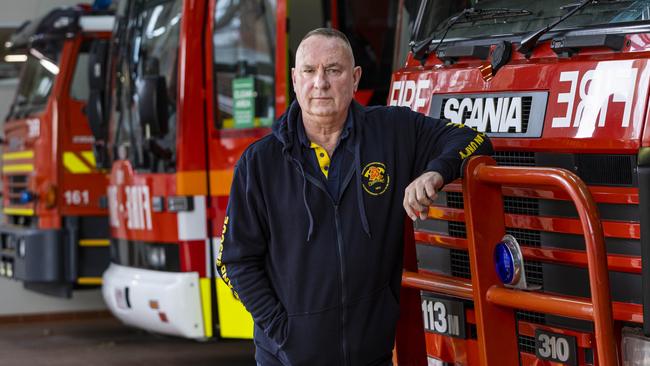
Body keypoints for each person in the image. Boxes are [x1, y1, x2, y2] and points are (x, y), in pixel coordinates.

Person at [217, 28, 492, 366]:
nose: (320, 82)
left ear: (355, 77)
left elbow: (474, 139)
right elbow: (234, 261)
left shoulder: (394, 132)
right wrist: (284, 332)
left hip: (371, 356)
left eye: (333, 70)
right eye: (309, 71)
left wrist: (435, 172)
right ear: (294, 79)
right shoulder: (260, 162)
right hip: (286, 359)